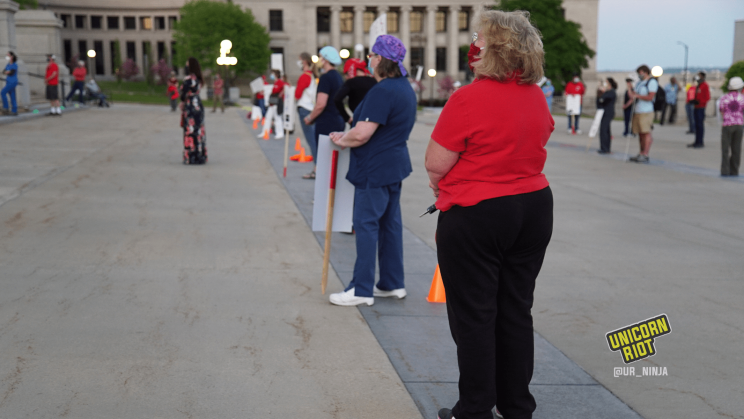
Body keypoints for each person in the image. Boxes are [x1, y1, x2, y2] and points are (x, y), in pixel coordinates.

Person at [425, 10, 553, 419]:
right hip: (533, 206)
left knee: (475, 316)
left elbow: (436, 163)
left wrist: (446, 184)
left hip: (478, 212)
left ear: (495, 48)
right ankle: (517, 407)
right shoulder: (535, 95)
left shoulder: (468, 97)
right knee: (516, 310)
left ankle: (476, 409)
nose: (473, 45)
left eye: (479, 38)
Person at [327, 34, 416, 307]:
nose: (369, 60)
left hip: (374, 167)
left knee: (366, 225)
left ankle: (361, 289)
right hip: (394, 165)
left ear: (380, 60)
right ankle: (391, 283)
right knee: (389, 224)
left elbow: (362, 134)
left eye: (372, 56)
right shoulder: (404, 88)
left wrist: (342, 139)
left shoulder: (383, 90)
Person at [302, 46, 345, 179]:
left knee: (325, 159)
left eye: (320, 57)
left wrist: (310, 117)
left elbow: (321, 104)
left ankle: (323, 196)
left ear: (325, 60)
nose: (319, 60)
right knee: (335, 159)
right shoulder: (338, 77)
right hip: (338, 120)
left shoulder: (326, 78)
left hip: (326, 122)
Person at [180, 57, 207, 165]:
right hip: (198, 105)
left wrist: (182, 101)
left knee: (190, 130)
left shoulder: (188, 79)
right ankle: (200, 155)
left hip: (190, 106)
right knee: (199, 131)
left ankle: (191, 156)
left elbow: (183, 93)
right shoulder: (199, 79)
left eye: (187, 64)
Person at [628, 65, 658, 163]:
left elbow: (650, 97)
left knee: (646, 132)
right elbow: (632, 96)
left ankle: (645, 153)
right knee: (640, 133)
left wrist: (638, 96)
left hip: (646, 111)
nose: (639, 75)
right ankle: (641, 152)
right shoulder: (640, 83)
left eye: (640, 73)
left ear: (645, 72)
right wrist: (629, 87)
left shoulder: (651, 82)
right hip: (638, 110)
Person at [334, 58, 377, 125]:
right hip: (374, 120)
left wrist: (347, 118)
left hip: (358, 120)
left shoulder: (351, 82)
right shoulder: (374, 81)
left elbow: (337, 99)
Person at [295, 52, 317, 178]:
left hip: (305, 108)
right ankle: (317, 167)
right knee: (312, 140)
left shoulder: (305, 76)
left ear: (303, 62)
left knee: (311, 141)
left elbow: (297, 94)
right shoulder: (312, 76)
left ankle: (316, 168)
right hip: (309, 108)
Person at [718, 76, 744, 177]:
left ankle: (725, 170)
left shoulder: (724, 98)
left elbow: (721, 110)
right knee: (736, 149)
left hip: (727, 125)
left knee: (725, 149)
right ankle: (734, 170)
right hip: (739, 125)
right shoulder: (742, 98)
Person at [688, 71, 710, 149]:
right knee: (696, 125)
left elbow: (707, 97)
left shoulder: (705, 85)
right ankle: (697, 141)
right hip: (696, 107)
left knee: (700, 125)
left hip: (701, 108)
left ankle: (700, 142)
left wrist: (700, 102)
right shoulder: (699, 85)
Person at [597, 77, 617, 154]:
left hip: (608, 112)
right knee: (605, 130)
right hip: (603, 112)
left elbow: (603, 99)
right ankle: (604, 147)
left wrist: (603, 94)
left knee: (604, 130)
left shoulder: (611, 92)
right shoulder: (606, 92)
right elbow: (599, 100)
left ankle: (605, 148)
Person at [267, 69, 287, 139]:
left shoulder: (279, 82)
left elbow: (284, 87)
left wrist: (281, 94)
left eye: (272, 74)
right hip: (273, 102)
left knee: (278, 118)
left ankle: (280, 132)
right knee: (269, 117)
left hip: (277, 102)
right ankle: (265, 131)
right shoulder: (275, 83)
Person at [2, 51, 18, 116]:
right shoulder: (8, 65)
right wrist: (7, 72)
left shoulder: (14, 65)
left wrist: (7, 72)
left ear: (12, 56)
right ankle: (14, 110)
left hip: (12, 82)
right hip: (9, 82)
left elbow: (11, 73)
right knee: (12, 95)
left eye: (8, 55)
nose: (7, 56)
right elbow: (3, 72)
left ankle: (6, 107)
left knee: (2, 92)